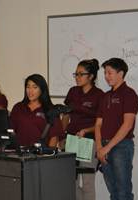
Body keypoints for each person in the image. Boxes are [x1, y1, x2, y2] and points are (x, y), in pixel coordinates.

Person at [95, 58, 138, 200]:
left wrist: (107, 147)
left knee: (123, 192)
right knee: (113, 191)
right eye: (105, 73)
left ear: (121, 73)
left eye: (110, 73)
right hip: (104, 147)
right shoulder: (105, 96)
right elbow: (98, 125)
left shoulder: (129, 94)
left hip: (122, 147)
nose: (106, 76)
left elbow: (127, 125)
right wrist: (100, 147)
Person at [59, 59, 104, 200]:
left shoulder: (99, 95)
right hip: (71, 139)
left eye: (81, 74)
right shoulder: (73, 91)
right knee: (71, 182)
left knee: (88, 184)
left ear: (91, 76)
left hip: (89, 142)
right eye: (76, 74)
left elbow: (101, 123)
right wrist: (61, 137)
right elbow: (66, 116)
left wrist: (87, 130)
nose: (77, 78)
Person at [10, 74, 65, 147]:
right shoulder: (18, 107)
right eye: (28, 87)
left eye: (34, 87)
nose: (30, 90)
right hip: (21, 153)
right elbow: (12, 131)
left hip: (42, 154)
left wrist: (48, 154)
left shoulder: (50, 110)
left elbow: (55, 136)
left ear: (42, 90)